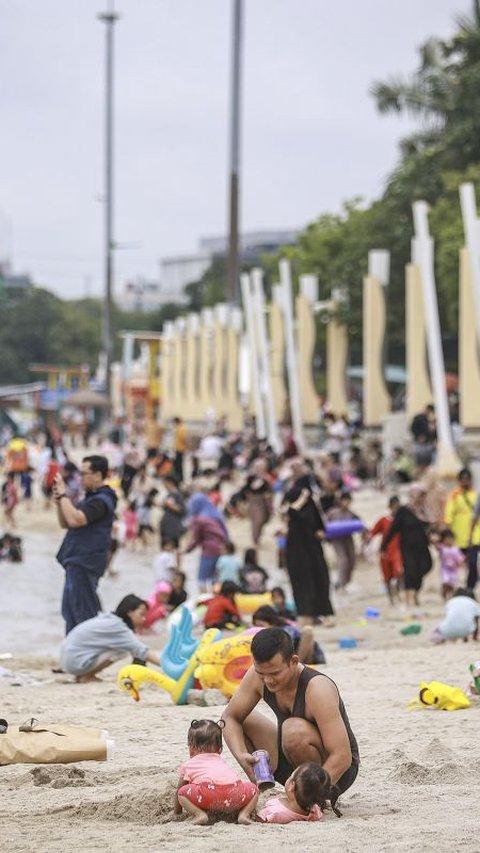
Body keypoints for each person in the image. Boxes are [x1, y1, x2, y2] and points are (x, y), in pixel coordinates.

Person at [221, 628, 359, 794]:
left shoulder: (317, 688)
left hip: (336, 774)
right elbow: (229, 718)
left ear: (293, 661)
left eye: (274, 673)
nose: (268, 680)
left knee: (293, 730)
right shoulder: (258, 677)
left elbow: (342, 757)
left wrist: (305, 798)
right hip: (290, 762)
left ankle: (307, 794)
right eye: (261, 673)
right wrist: (242, 754)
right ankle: (278, 787)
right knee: (243, 718)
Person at [53, 455, 118, 634]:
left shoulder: (100, 500)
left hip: (85, 562)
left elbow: (75, 519)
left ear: (98, 475)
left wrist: (65, 495)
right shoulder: (91, 498)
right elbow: (65, 522)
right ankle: (73, 656)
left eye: (84, 474)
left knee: (83, 613)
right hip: (77, 561)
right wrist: (60, 502)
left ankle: (87, 657)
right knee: (70, 612)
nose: (80, 477)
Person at [174, 718, 259, 825]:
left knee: (182, 792)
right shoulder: (222, 761)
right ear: (220, 749)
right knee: (254, 789)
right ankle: (244, 814)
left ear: (191, 747)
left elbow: (179, 790)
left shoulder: (188, 765)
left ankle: (200, 815)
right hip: (234, 794)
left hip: (208, 795)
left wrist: (177, 812)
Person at [59, 594, 160, 682]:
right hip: (73, 663)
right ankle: (86, 676)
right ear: (130, 612)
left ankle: (83, 674)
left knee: (126, 646)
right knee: (122, 651)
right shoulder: (118, 627)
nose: (144, 619)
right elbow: (142, 651)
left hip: (67, 660)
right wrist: (166, 666)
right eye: (141, 614)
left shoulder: (109, 619)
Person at [281, 475, 334, 626]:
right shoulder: (295, 511)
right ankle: (306, 616)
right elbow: (291, 511)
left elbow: (320, 526)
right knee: (302, 584)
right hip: (298, 555)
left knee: (320, 581)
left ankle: (323, 615)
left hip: (313, 553)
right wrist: (302, 499)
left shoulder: (311, 509)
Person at [382, 486, 432, 610]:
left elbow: (430, 528)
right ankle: (410, 597)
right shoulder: (404, 511)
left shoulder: (425, 511)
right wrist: (384, 545)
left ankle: (415, 592)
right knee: (410, 571)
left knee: (425, 567)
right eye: (419, 496)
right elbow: (393, 529)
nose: (420, 499)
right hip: (408, 548)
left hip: (422, 547)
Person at [257, 762, 341, 823]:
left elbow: (259, 818)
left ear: (292, 786)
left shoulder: (275, 813)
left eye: (291, 776)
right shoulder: (315, 811)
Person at [184, 493, 228, 592]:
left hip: (209, 551)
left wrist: (187, 550)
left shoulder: (200, 519)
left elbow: (196, 538)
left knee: (202, 579)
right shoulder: (216, 515)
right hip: (221, 549)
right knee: (214, 578)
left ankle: (204, 600)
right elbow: (225, 533)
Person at [252, 606, 326, 665]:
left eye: (261, 625)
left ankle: (298, 665)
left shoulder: (286, 629)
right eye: (256, 626)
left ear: (272, 622)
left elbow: (287, 644)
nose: (259, 629)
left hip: (303, 657)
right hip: (287, 661)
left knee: (307, 630)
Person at [445, 468, 480, 590]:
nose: (465, 481)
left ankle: (470, 588)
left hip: (474, 536)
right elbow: (448, 515)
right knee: (456, 565)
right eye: (463, 479)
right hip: (458, 536)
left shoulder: (476, 494)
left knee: (472, 563)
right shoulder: (454, 495)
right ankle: (456, 588)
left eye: (467, 479)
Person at [366, 496, 403, 604]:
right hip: (385, 552)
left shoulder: (403, 520)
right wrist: (367, 540)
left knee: (399, 572)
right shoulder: (383, 520)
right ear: (390, 507)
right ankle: (391, 599)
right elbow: (372, 532)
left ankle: (398, 594)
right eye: (394, 507)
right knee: (387, 577)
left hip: (398, 551)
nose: (396, 510)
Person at [326, 491, 362, 590]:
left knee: (352, 561)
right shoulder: (332, 513)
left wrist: (365, 533)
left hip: (348, 539)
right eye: (345, 501)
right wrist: (326, 537)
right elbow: (324, 525)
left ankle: (345, 582)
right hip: (337, 540)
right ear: (341, 501)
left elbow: (360, 524)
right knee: (343, 561)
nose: (347, 503)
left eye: (349, 501)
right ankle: (340, 584)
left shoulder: (351, 514)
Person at [243, 459, 273, 546]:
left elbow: (269, 490)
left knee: (264, 519)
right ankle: (255, 538)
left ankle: (258, 536)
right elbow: (246, 489)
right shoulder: (251, 477)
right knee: (257, 520)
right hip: (254, 500)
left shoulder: (266, 478)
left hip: (265, 501)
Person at [436, 528, 465, 600]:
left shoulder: (456, 549)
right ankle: (444, 594)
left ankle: (452, 596)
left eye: (450, 539)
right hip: (445, 569)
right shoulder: (442, 548)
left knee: (453, 584)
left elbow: (460, 558)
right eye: (447, 539)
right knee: (445, 582)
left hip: (453, 570)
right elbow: (436, 545)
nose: (449, 541)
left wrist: (461, 564)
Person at [159, 474, 186, 547]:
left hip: (173, 527)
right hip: (166, 526)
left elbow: (181, 509)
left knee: (173, 547)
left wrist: (169, 505)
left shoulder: (178, 494)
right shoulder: (169, 494)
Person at [173, 416, 188, 483]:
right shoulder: (179, 428)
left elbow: (184, 439)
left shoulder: (182, 428)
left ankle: (180, 478)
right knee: (177, 464)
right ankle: (177, 476)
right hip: (178, 448)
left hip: (181, 449)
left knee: (179, 464)